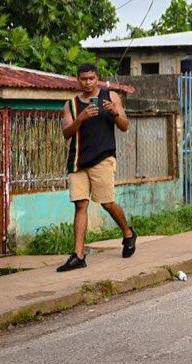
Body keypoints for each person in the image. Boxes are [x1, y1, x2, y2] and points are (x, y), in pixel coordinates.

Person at [56, 63, 138, 272]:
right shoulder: (71, 105)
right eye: (84, 79)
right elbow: (66, 133)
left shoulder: (110, 97)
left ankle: (128, 233)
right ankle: (78, 255)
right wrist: (81, 119)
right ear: (78, 80)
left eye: (91, 78)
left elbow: (125, 126)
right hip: (78, 161)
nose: (88, 82)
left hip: (103, 158)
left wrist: (115, 114)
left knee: (107, 203)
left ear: (97, 78)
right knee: (80, 205)